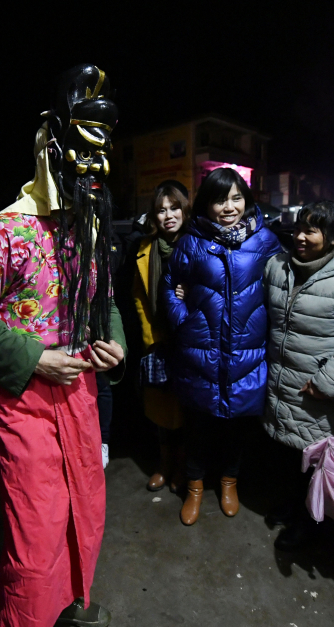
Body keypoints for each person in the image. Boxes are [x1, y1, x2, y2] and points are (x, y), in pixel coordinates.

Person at [0, 64, 126, 627]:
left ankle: (74, 597)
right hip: (25, 399)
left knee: (84, 504)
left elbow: (103, 299)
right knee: (36, 523)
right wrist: (34, 357)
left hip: (82, 394)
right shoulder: (8, 233)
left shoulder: (88, 228)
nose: (94, 175)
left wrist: (112, 340)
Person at [164, 167, 282, 526]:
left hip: (248, 354)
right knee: (198, 426)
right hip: (201, 351)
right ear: (206, 204)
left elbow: (282, 287)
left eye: (236, 198)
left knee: (237, 429)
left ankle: (229, 483)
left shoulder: (265, 240)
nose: (229, 207)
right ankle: (196, 487)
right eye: (219, 199)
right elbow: (170, 285)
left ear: (246, 199)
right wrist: (183, 318)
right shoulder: (191, 241)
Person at [262, 200, 334, 550]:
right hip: (283, 380)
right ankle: (292, 508)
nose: (301, 237)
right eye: (298, 228)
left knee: (317, 462)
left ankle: (308, 525)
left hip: (318, 388)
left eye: (312, 230)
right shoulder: (278, 266)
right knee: (289, 455)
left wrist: (327, 382)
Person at [131, 181, 190, 493]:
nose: (169, 215)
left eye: (174, 207)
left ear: (185, 208)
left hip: (192, 343)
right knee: (160, 410)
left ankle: (183, 468)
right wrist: (150, 338)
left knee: (187, 412)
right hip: (158, 340)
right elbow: (139, 299)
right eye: (161, 209)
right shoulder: (145, 248)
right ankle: (164, 466)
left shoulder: (198, 244)